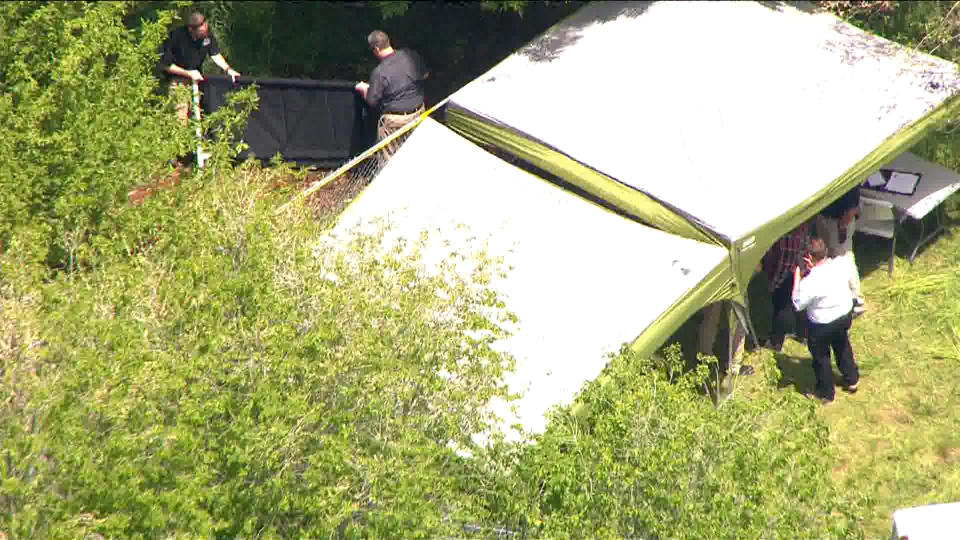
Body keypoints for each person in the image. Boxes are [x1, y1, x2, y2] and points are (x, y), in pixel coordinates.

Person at [792, 236, 860, 405]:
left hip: (822, 324)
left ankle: (825, 393)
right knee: (842, 344)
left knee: (821, 357)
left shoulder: (810, 281)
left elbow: (797, 303)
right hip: (844, 314)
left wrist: (797, 277)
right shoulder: (840, 264)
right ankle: (851, 379)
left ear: (809, 258)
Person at [354, 30, 429, 165]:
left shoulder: (380, 72)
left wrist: (364, 89)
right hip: (419, 113)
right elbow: (425, 75)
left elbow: (372, 101)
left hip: (394, 122)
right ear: (388, 42)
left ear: (376, 49)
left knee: (389, 163)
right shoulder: (411, 55)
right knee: (415, 156)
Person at [159, 12, 240, 127]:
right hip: (178, 79)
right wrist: (188, 73)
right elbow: (165, 65)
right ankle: (181, 142)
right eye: (201, 32)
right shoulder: (176, 37)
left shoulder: (206, 35)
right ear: (191, 29)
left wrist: (228, 69)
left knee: (201, 113)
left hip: (197, 78)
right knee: (181, 117)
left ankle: (203, 141)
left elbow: (215, 54)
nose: (204, 34)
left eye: (205, 30)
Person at [761, 220, 811, 351]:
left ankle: (776, 342)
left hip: (786, 271)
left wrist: (773, 283)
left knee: (782, 307)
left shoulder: (784, 234)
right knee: (798, 303)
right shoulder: (802, 226)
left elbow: (780, 262)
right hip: (797, 268)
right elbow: (804, 247)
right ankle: (802, 334)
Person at [816, 187, 866, 316]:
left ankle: (857, 300)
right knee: (834, 258)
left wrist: (841, 229)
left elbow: (851, 210)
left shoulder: (849, 183)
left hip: (837, 223)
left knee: (844, 258)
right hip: (826, 219)